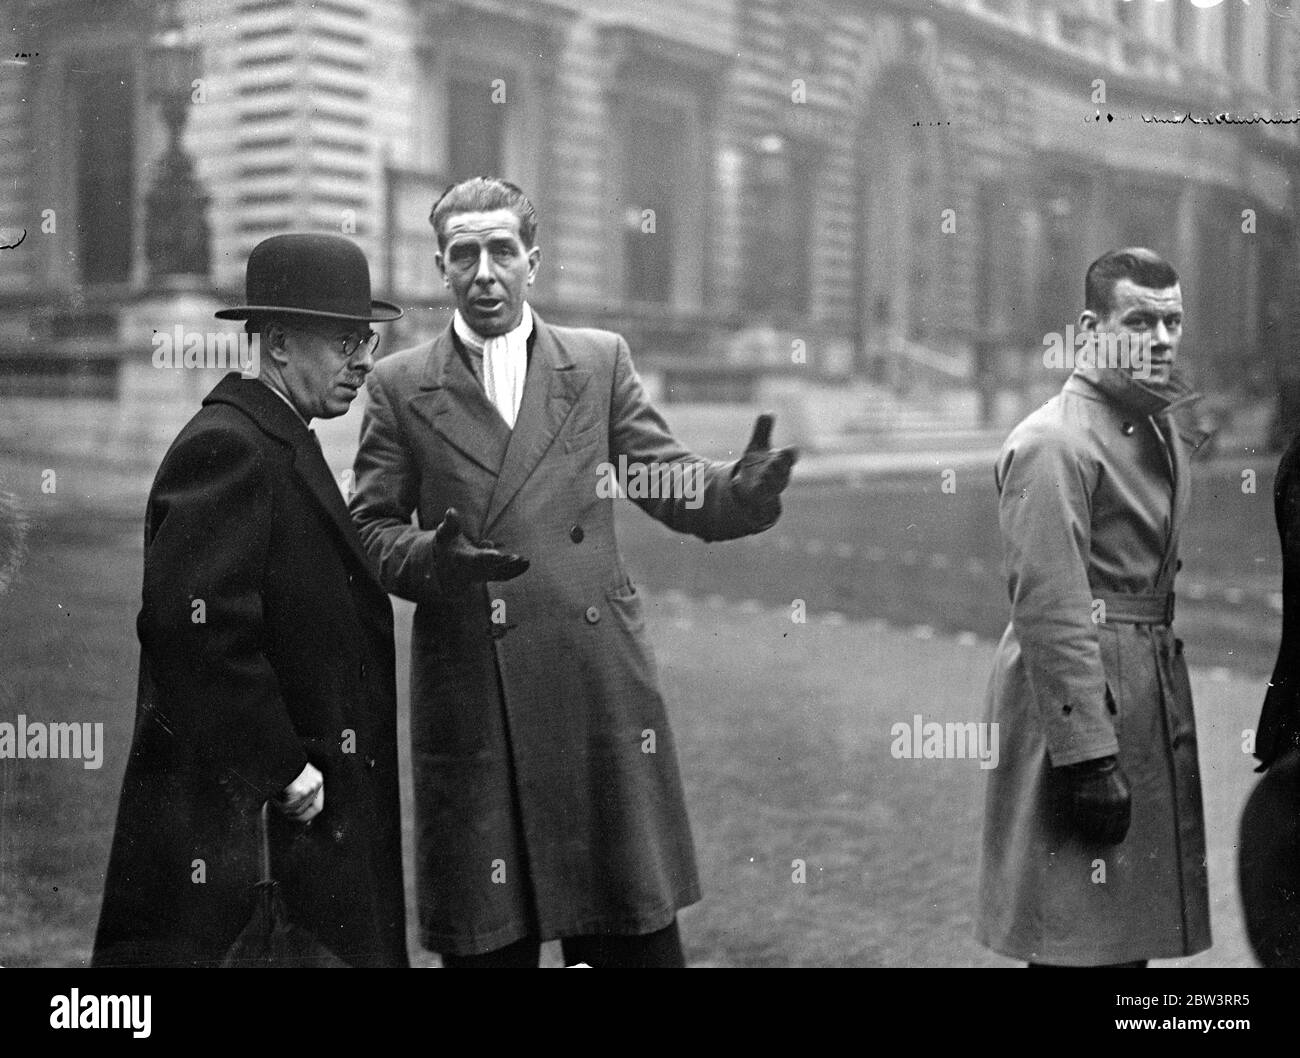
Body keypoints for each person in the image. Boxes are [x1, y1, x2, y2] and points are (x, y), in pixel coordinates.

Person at [349, 177, 796, 967]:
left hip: (595, 681)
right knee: (492, 941)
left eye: (500, 251)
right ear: (441, 269)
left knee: (626, 924)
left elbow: (668, 479)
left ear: (533, 262)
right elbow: (370, 527)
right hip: (474, 685)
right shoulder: (398, 384)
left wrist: (737, 492)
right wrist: (431, 560)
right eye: (463, 255)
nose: (483, 272)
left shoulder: (597, 362)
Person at [93, 234, 408, 967]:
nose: (363, 359)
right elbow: (190, 628)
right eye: (343, 341)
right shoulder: (231, 447)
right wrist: (281, 767)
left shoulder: (278, 437)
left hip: (287, 827)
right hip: (247, 834)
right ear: (275, 344)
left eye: (365, 339)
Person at [976, 247, 1211, 968]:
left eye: (1172, 321)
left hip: (1144, 697)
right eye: (1140, 320)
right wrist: (1087, 759)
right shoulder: (1053, 442)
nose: (1163, 338)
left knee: (1120, 939)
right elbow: (1050, 611)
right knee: (1074, 935)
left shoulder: (1159, 426)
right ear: (1091, 327)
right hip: (1084, 710)